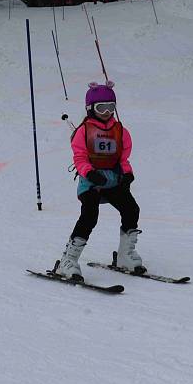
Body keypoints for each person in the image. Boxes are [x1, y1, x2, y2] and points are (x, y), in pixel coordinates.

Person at [56, 81, 144, 280]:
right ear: (90, 109)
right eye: (101, 107)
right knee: (90, 215)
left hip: (113, 180)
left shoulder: (121, 131)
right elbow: (79, 157)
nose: (106, 112)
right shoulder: (83, 131)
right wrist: (89, 172)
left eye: (110, 107)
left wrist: (127, 173)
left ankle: (125, 256)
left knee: (131, 209)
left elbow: (123, 157)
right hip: (91, 183)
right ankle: (68, 260)